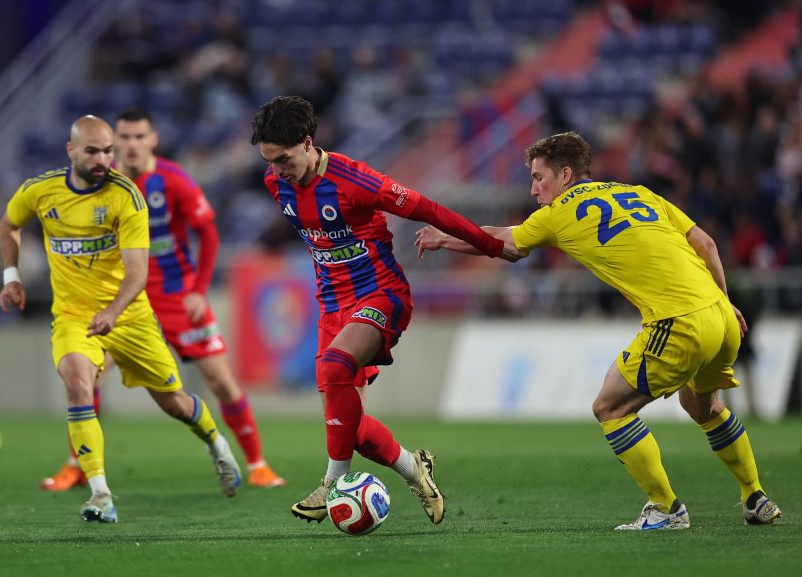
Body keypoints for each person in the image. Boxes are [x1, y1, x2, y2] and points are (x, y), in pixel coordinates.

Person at [415, 131, 783, 530]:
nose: (534, 189)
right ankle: (755, 496)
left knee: (610, 407)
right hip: (722, 315)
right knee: (703, 407)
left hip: (678, 320)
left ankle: (666, 508)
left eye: (539, 177)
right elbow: (707, 244)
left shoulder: (560, 212)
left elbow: (503, 243)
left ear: (566, 174)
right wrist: (726, 303)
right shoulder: (638, 193)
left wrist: (445, 239)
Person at [251, 96, 509, 525]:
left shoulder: (356, 180)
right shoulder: (275, 183)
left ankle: (332, 484)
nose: (276, 170)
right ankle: (414, 468)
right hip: (331, 307)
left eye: (283, 159)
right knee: (347, 426)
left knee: (335, 367)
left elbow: (430, 209)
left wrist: (492, 246)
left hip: (380, 296)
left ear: (308, 143)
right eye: (269, 161)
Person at [0, 115, 241, 524]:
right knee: (78, 383)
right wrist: (11, 278)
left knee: (175, 403)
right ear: (71, 151)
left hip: (129, 317)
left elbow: (138, 273)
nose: (103, 159)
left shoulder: (126, 196)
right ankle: (100, 494)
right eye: (92, 151)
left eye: (108, 151)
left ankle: (217, 444)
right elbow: (9, 224)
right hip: (74, 316)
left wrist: (112, 312)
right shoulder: (40, 190)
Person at [40, 108, 285, 491]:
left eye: (140, 137)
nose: (132, 144)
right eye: (125, 137)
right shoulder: (102, 183)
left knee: (221, 381)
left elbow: (209, 234)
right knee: (84, 377)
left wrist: (198, 291)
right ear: (114, 141)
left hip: (175, 296)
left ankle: (258, 464)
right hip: (122, 300)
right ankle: (78, 466)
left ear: (153, 140)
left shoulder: (173, 179)